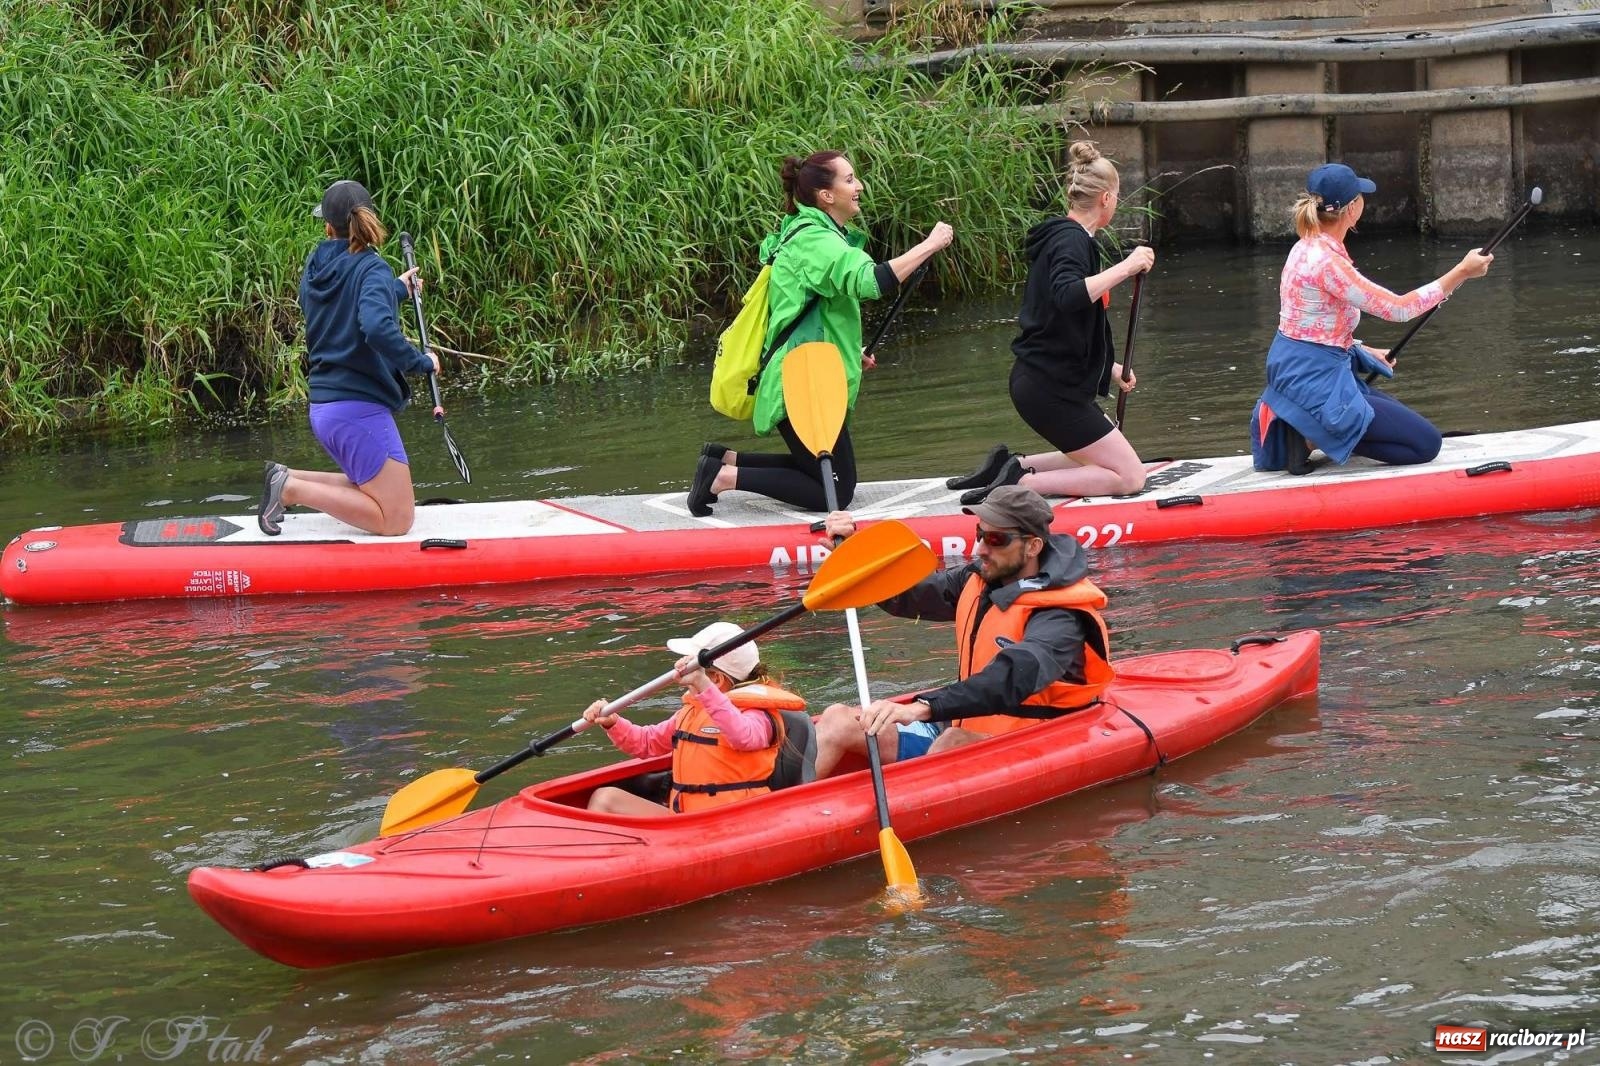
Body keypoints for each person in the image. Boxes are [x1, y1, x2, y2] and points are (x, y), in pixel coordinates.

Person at [688, 151, 953, 516]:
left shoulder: (812, 234)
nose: (858, 186)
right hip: (801, 380)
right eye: (849, 180)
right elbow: (869, 281)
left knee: (824, 474)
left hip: (808, 370)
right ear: (826, 196)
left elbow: (813, 311)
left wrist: (847, 354)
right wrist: (929, 245)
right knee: (837, 489)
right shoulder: (816, 241)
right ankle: (722, 477)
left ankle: (724, 460)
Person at [810, 486, 1113, 777]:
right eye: (980, 534)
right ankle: (771, 811)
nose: (979, 548)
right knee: (838, 719)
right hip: (961, 723)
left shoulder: (1060, 618)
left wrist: (923, 707)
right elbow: (909, 595)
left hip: (1029, 743)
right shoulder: (981, 579)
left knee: (951, 742)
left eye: (995, 539)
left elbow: (1011, 677)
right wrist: (853, 550)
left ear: (1032, 545)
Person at [1249, 162, 1494, 474]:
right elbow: (1399, 308)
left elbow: (1308, 326)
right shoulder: (1328, 263)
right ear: (1353, 209)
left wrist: (1358, 350)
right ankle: (1308, 435)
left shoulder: (1304, 247)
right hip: (1315, 383)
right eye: (1361, 197)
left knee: (1404, 421)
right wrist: (1461, 272)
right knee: (1427, 444)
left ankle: (1310, 429)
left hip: (1300, 371)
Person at [947, 140, 1155, 506]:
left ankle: (1012, 464)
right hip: (1048, 389)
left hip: (1044, 381)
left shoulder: (1065, 237)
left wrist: (1109, 368)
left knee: (1103, 456)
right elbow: (1067, 296)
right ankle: (1021, 483)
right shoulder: (1073, 242)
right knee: (1130, 476)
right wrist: (1128, 266)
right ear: (1106, 198)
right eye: (1118, 195)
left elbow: (1060, 324)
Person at [257, 179, 439, 537]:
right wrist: (421, 361)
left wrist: (395, 288)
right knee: (397, 519)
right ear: (366, 219)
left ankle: (288, 477)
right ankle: (291, 490)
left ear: (328, 226)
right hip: (358, 410)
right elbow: (374, 326)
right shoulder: (371, 268)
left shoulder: (316, 266)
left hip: (326, 407)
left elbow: (344, 299)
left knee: (371, 490)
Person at [581, 622, 812, 816]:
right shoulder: (692, 711)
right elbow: (647, 743)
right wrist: (613, 723)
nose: (684, 672)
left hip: (732, 821)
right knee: (605, 798)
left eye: (692, 670)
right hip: (687, 819)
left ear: (716, 680)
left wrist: (703, 686)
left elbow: (743, 736)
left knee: (605, 799)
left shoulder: (757, 715)